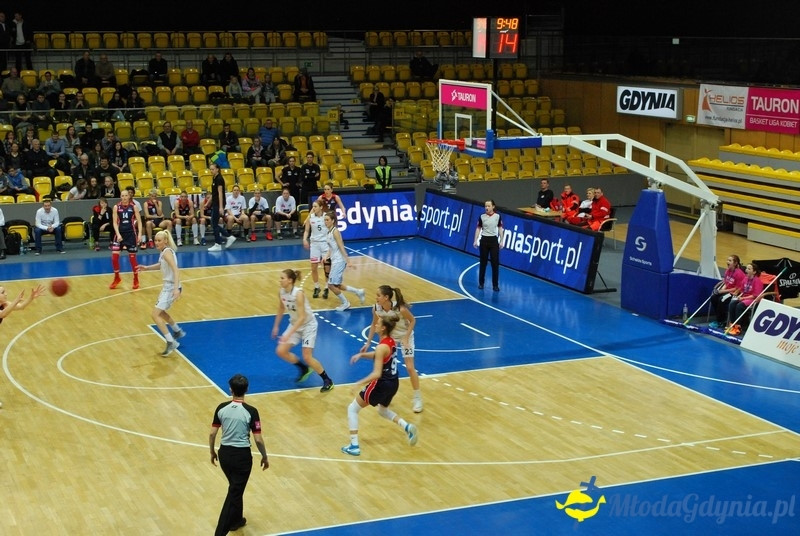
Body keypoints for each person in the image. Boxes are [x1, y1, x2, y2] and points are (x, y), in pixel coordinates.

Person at [341, 316, 419, 456]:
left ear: (383, 328)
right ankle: (407, 426)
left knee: (352, 408)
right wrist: (362, 355)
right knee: (383, 410)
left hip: (381, 383)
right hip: (394, 382)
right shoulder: (390, 342)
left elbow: (376, 373)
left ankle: (354, 446)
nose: (375, 324)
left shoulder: (381, 346)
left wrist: (358, 383)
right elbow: (380, 355)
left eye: (378, 323)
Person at [208, 374, 269, 536]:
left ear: (230, 389)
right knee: (234, 491)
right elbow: (258, 439)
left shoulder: (221, 408)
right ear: (247, 390)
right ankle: (220, 532)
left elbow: (212, 434)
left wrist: (212, 451)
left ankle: (236, 520)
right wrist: (265, 456)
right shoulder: (251, 412)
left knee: (235, 487)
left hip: (225, 455)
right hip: (242, 457)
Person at [361, 285, 423, 413]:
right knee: (382, 369)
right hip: (392, 339)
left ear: (386, 297)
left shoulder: (400, 308)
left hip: (406, 337)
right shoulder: (376, 308)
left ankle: (417, 398)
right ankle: (384, 397)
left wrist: (405, 338)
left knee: (410, 368)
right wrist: (368, 343)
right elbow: (374, 324)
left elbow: (412, 321)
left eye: (378, 295)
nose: (376, 298)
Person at [271, 268, 335, 391]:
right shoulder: (282, 292)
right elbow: (280, 308)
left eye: (282, 278)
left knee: (307, 356)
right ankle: (303, 368)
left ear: (290, 280)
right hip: (295, 324)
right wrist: (276, 326)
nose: (280, 280)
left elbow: (302, 317)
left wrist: (287, 334)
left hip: (308, 325)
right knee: (281, 351)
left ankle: (328, 380)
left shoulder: (298, 294)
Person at [136, 230, 186, 356]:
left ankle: (171, 342)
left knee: (155, 314)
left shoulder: (167, 252)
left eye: (159, 240)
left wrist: (176, 288)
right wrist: (147, 268)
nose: (156, 242)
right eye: (155, 240)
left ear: (165, 241)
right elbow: (161, 265)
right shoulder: (164, 252)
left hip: (171, 287)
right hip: (167, 287)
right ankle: (177, 331)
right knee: (161, 312)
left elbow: (175, 270)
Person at [0, 283, 45, 406]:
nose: (6, 294)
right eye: (3, 292)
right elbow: (2, 314)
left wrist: (31, 297)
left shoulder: (5, 304)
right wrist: (14, 301)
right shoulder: (5, 307)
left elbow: (21, 307)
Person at [323, 210, 365, 311]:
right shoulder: (329, 232)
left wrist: (348, 260)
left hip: (339, 261)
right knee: (337, 285)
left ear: (333, 221)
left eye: (327, 220)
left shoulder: (336, 231)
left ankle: (345, 303)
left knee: (330, 285)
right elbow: (331, 247)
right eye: (324, 220)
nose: (325, 222)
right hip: (335, 260)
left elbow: (341, 246)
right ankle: (358, 292)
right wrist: (326, 256)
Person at [110, 188, 143, 290]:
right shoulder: (116, 207)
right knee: (114, 258)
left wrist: (140, 234)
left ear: (129, 196)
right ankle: (117, 278)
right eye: (122, 196)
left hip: (131, 234)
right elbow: (115, 222)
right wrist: (118, 234)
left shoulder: (134, 207)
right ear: (120, 197)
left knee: (132, 259)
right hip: (120, 234)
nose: (124, 197)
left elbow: (140, 221)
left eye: (126, 195)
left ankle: (136, 279)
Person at [473, 199, 504, 291]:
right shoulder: (482, 217)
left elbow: (500, 229)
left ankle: (495, 285)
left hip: (494, 241)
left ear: (493, 207)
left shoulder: (497, 216)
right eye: (485, 206)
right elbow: (478, 229)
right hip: (484, 241)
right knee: (483, 263)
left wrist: (502, 240)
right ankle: (481, 283)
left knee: (495, 264)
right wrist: (475, 240)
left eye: (488, 206)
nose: (486, 207)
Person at [709, 254, 746, 328]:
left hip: (734, 293)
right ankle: (721, 317)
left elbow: (737, 288)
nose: (727, 262)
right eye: (727, 260)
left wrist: (723, 291)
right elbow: (726, 282)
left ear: (735, 263)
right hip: (726, 291)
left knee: (721, 299)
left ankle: (721, 321)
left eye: (730, 260)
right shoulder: (727, 271)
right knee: (713, 297)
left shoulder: (739, 274)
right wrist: (721, 290)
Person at [727, 262, 765, 333]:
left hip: (753, 299)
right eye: (747, 268)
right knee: (732, 303)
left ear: (754, 272)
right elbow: (742, 291)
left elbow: (755, 295)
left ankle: (738, 327)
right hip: (744, 297)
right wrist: (738, 296)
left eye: (749, 269)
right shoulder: (745, 279)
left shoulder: (757, 281)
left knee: (739, 306)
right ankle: (732, 324)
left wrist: (743, 298)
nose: (746, 270)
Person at [302, 201, 329, 299]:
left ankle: (326, 287)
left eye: (315, 206)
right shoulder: (311, 217)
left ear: (321, 207)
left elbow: (331, 230)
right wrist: (305, 239)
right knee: (313, 267)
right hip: (315, 244)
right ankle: (317, 287)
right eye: (313, 206)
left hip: (325, 244)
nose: (313, 208)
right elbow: (306, 230)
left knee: (327, 267)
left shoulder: (326, 217)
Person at [207, 163, 236, 252]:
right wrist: (208, 202)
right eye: (210, 169)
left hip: (218, 204)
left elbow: (220, 193)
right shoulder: (214, 178)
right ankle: (228, 237)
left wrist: (220, 207)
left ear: (217, 169)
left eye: (212, 169)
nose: (211, 171)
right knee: (214, 223)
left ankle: (218, 243)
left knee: (214, 223)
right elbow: (214, 193)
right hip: (215, 203)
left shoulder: (219, 179)